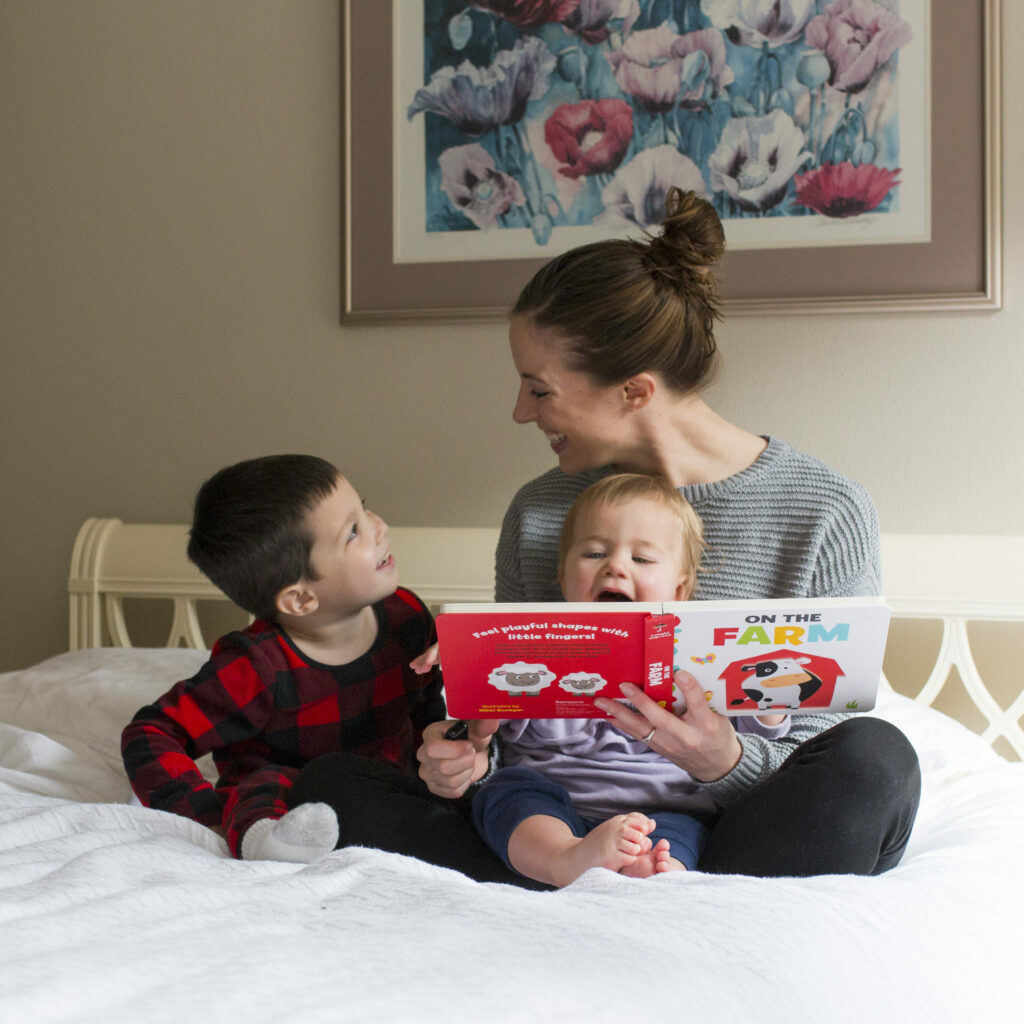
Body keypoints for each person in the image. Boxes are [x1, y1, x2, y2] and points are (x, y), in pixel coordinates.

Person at [417, 187, 921, 878]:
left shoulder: (825, 512)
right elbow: (514, 719)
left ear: (634, 390)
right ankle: (580, 871)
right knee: (337, 784)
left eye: (539, 389)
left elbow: (818, 744)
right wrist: (464, 753)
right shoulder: (541, 511)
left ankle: (668, 880)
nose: (520, 412)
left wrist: (722, 760)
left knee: (876, 760)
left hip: (731, 823)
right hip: (558, 817)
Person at [121, 454, 447, 864]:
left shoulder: (407, 617)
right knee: (267, 784)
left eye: (364, 508)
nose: (380, 527)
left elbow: (424, 706)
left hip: (386, 786)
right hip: (296, 796)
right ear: (300, 598)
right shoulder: (257, 665)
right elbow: (150, 732)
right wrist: (204, 812)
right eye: (353, 532)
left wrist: (441, 751)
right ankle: (271, 846)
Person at [473, 472, 795, 888]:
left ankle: (654, 873)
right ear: (562, 576)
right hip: (554, 802)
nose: (615, 567)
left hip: (664, 807)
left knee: (688, 832)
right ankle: (565, 859)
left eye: (641, 559)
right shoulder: (535, 650)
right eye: (592, 553)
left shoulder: (702, 661)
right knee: (506, 794)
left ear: (679, 591)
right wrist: (475, 660)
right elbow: (493, 719)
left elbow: (750, 736)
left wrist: (770, 699)